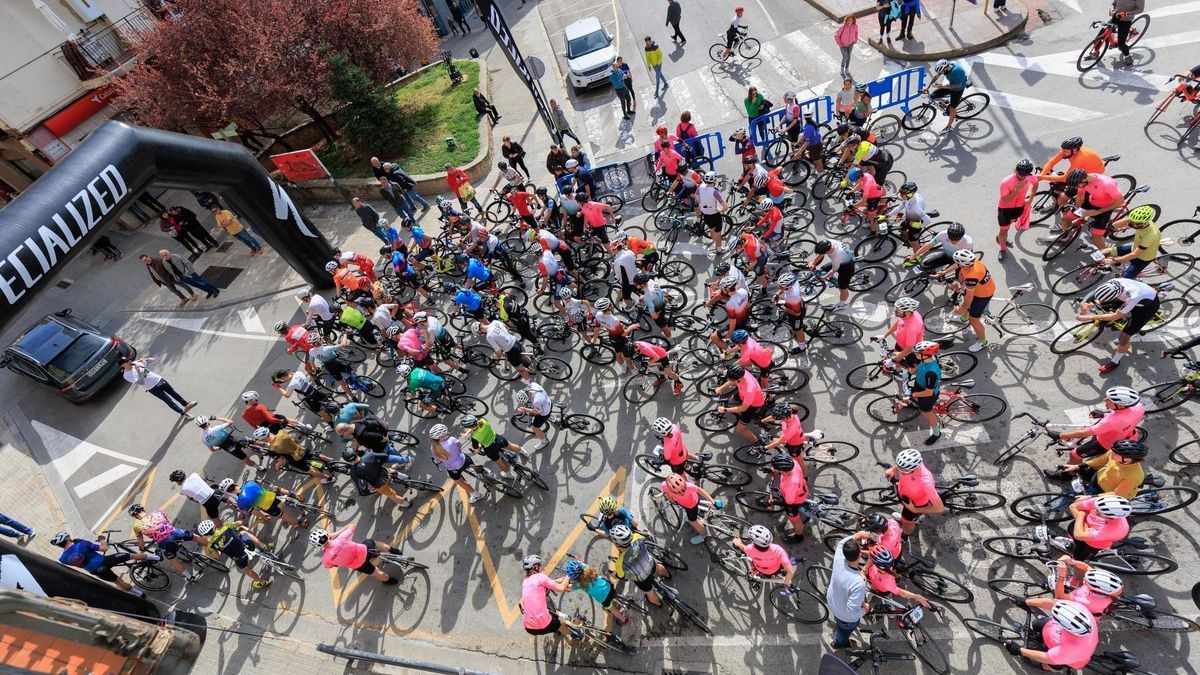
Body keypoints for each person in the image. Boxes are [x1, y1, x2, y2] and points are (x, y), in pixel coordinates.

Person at [1045, 386, 1144, 471]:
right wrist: (1104, 414)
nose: (1105, 399)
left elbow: (1085, 433)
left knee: (1074, 455)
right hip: (1126, 435)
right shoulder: (1138, 407)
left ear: (1121, 405)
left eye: (1109, 400)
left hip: (1104, 443)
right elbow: (1124, 418)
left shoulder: (1111, 421)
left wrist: (1060, 435)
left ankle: (1066, 475)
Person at [1079, 278, 1160, 374]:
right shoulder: (1113, 281)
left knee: (1123, 338)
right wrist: (1084, 302)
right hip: (1129, 295)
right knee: (1101, 304)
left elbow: (1115, 315)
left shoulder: (1133, 297)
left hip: (1145, 309)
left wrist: (1091, 316)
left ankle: (1115, 362)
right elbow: (1094, 292)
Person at [53, 532, 158, 595]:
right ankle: (156, 557)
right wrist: (102, 540)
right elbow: (104, 548)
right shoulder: (82, 544)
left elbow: (76, 557)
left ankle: (140, 595)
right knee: (131, 556)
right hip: (104, 561)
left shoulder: (63, 559)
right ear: (67, 538)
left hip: (95, 571)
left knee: (118, 582)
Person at [1005, 599, 1099, 670]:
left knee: (1048, 664)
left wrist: (1019, 650)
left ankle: (1048, 669)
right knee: (1036, 624)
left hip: (1067, 656)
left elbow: (1047, 658)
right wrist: (1026, 601)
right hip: (1054, 631)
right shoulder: (1081, 609)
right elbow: (1052, 602)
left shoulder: (1073, 651)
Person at [129, 504, 207, 581]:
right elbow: (167, 522)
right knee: (195, 537)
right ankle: (213, 546)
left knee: (174, 560)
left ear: (135, 516)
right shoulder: (157, 512)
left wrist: (142, 548)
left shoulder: (137, 526)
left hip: (164, 542)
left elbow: (140, 540)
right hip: (174, 532)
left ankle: (189, 577)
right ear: (143, 509)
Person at [311, 525, 400, 585]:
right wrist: (336, 534)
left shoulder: (325, 559)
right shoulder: (340, 538)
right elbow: (352, 526)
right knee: (375, 543)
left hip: (359, 565)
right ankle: (393, 551)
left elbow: (329, 566)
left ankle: (389, 581)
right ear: (326, 534)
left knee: (376, 572)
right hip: (365, 551)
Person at [197, 519, 271, 589]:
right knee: (242, 533)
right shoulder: (225, 527)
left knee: (246, 570)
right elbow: (240, 523)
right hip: (248, 548)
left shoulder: (211, 545)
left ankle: (262, 582)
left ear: (205, 534)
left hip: (239, 558)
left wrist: (220, 549)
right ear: (213, 526)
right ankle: (263, 546)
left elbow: (217, 556)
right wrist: (239, 522)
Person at [944, 249, 994, 352]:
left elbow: (970, 296)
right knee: (966, 303)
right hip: (982, 288)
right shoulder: (972, 261)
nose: (957, 264)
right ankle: (963, 318)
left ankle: (982, 342)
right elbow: (958, 265)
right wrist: (943, 272)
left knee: (974, 319)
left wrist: (963, 308)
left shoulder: (972, 275)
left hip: (983, 294)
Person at [610, 525, 671, 609]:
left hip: (642, 578)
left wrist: (612, 574)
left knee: (649, 591)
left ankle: (658, 603)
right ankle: (667, 575)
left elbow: (620, 576)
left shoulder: (619, 562)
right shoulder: (637, 537)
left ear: (617, 544)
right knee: (656, 565)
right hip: (650, 563)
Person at [1067, 169, 1127, 252]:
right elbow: (1080, 197)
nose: (1077, 187)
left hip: (1105, 208)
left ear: (1084, 179)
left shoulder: (1107, 184)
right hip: (1092, 201)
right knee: (1065, 219)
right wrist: (1076, 209)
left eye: (1078, 185)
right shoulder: (1085, 180)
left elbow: (1120, 201)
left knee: (1096, 238)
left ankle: (1106, 257)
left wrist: (1098, 211)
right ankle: (1065, 237)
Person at [521, 555, 581, 637]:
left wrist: (557, 581)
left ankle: (554, 629)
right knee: (560, 624)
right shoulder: (540, 577)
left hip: (529, 627)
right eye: (539, 565)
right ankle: (576, 634)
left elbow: (540, 585)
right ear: (535, 567)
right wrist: (569, 575)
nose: (541, 567)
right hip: (544, 624)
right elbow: (560, 588)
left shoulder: (525, 582)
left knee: (548, 619)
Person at [887, 448, 944, 534]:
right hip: (906, 495)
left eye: (902, 470)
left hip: (915, 504)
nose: (900, 470)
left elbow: (939, 508)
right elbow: (902, 465)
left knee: (907, 522)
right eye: (898, 466)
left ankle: (905, 535)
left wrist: (914, 509)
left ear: (913, 469)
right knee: (905, 513)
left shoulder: (926, 483)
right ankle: (907, 517)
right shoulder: (912, 464)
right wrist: (893, 469)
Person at [119, 356, 197, 418]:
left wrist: (146, 359)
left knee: (173, 392)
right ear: (122, 365)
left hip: (159, 380)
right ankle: (183, 413)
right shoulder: (127, 375)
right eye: (127, 361)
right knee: (169, 401)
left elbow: (153, 360)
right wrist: (139, 372)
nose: (129, 361)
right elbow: (141, 382)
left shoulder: (135, 363)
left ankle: (186, 404)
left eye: (129, 360)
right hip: (152, 388)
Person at [828, 535, 868, 650]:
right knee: (844, 631)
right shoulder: (858, 583)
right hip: (845, 616)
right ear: (860, 555)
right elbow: (852, 612)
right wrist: (865, 609)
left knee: (839, 621)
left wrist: (859, 534)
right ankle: (839, 644)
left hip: (832, 601)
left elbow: (841, 543)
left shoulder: (839, 557)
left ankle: (839, 625)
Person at [564, 558, 632, 625]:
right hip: (609, 587)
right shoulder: (587, 568)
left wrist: (567, 583)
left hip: (604, 599)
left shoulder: (578, 584)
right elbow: (581, 563)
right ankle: (623, 600)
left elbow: (570, 587)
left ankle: (623, 620)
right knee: (602, 579)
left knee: (612, 609)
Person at [429, 424, 485, 504]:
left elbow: (437, 460)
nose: (447, 434)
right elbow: (459, 446)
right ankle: (488, 474)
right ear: (441, 437)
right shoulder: (451, 439)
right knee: (476, 468)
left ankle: (476, 495)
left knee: (460, 482)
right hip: (464, 460)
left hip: (454, 469)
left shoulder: (433, 448)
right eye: (446, 433)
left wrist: (438, 461)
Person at [996, 159, 1039, 260]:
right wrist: (1017, 189)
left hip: (1019, 208)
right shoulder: (1006, 182)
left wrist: (1031, 197)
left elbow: (1036, 183)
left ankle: (1000, 235)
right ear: (1015, 170)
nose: (1022, 177)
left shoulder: (1030, 177)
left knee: (1007, 227)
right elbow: (1005, 200)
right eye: (1020, 174)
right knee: (1004, 231)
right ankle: (1002, 249)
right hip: (1005, 209)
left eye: (1025, 175)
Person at [1104, 206, 1160, 280]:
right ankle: (1120, 266)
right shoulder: (1140, 223)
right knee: (1103, 252)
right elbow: (1115, 225)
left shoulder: (1151, 235)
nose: (1133, 225)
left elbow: (1135, 254)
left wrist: (1114, 260)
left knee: (1123, 280)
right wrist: (1131, 219)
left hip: (1143, 258)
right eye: (1132, 222)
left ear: (1145, 222)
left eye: (1136, 223)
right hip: (1134, 248)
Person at [865, 548, 931, 609]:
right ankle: (872, 592)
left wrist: (916, 596)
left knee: (887, 596)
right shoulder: (883, 564)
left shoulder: (888, 582)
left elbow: (901, 592)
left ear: (878, 565)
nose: (870, 560)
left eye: (872, 560)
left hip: (883, 590)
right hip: (874, 581)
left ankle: (888, 602)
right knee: (873, 587)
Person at [907, 341, 944, 445]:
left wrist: (914, 394)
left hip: (928, 394)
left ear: (924, 355)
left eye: (917, 353)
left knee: (926, 412)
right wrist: (912, 371)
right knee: (915, 397)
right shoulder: (927, 359)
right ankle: (915, 403)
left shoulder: (931, 373)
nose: (915, 354)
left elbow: (928, 392)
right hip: (920, 385)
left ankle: (936, 433)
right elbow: (920, 365)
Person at [924, 59, 970, 132]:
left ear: (946, 67)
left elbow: (957, 86)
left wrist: (943, 87)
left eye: (942, 71)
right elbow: (937, 76)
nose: (941, 73)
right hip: (952, 84)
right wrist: (928, 87)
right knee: (933, 95)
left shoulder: (956, 72)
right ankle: (945, 101)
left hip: (958, 89)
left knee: (952, 108)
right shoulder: (945, 66)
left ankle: (949, 127)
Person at [808, 239, 854, 310]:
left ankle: (841, 305)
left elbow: (834, 270)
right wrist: (813, 263)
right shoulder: (828, 242)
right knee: (823, 269)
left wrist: (824, 277)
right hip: (840, 261)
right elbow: (821, 254)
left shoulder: (837, 255)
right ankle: (831, 282)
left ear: (827, 251)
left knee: (842, 288)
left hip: (846, 266)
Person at [1111, 0, 1146, 65]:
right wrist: (1112, 10)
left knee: (1121, 45)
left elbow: (1140, 9)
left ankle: (1128, 57)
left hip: (1126, 20)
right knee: (1103, 32)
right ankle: (1095, 53)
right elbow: (1114, 3)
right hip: (1116, 16)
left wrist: (1126, 13)